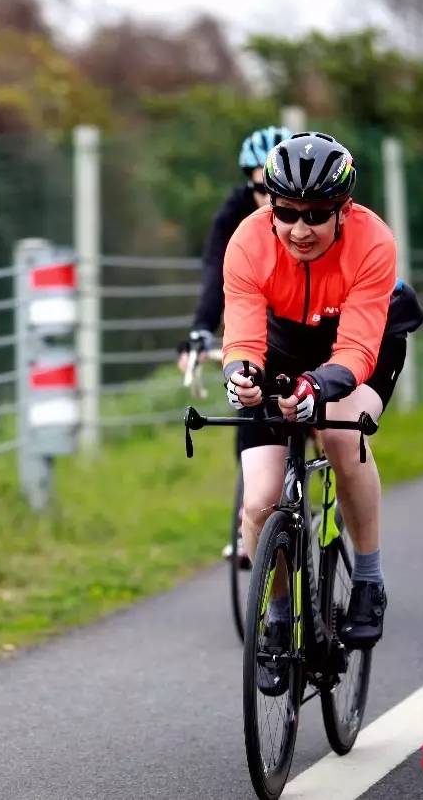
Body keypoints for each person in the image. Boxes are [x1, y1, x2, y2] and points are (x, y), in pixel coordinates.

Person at [221, 131, 423, 695]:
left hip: (363, 341)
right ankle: (279, 615)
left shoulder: (372, 241)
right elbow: (240, 333)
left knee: (340, 438)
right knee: (260, 500)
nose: (299, 229)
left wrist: (319, 388)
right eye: (286, 212)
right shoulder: (248, 241)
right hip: (283, 341)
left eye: (316, 215)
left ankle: (368, 578)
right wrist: (241, 375)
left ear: (344, 209)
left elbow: (357, 349)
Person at [176, 125, 293, 565]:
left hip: (305, 320)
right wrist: (201, 328)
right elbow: (213, 272)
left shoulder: (306, 214)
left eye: (273, 187)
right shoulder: (235, 214)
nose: (266, 198)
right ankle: (254, 515)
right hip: (253, 312)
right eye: (257, 187)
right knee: (249, 397)